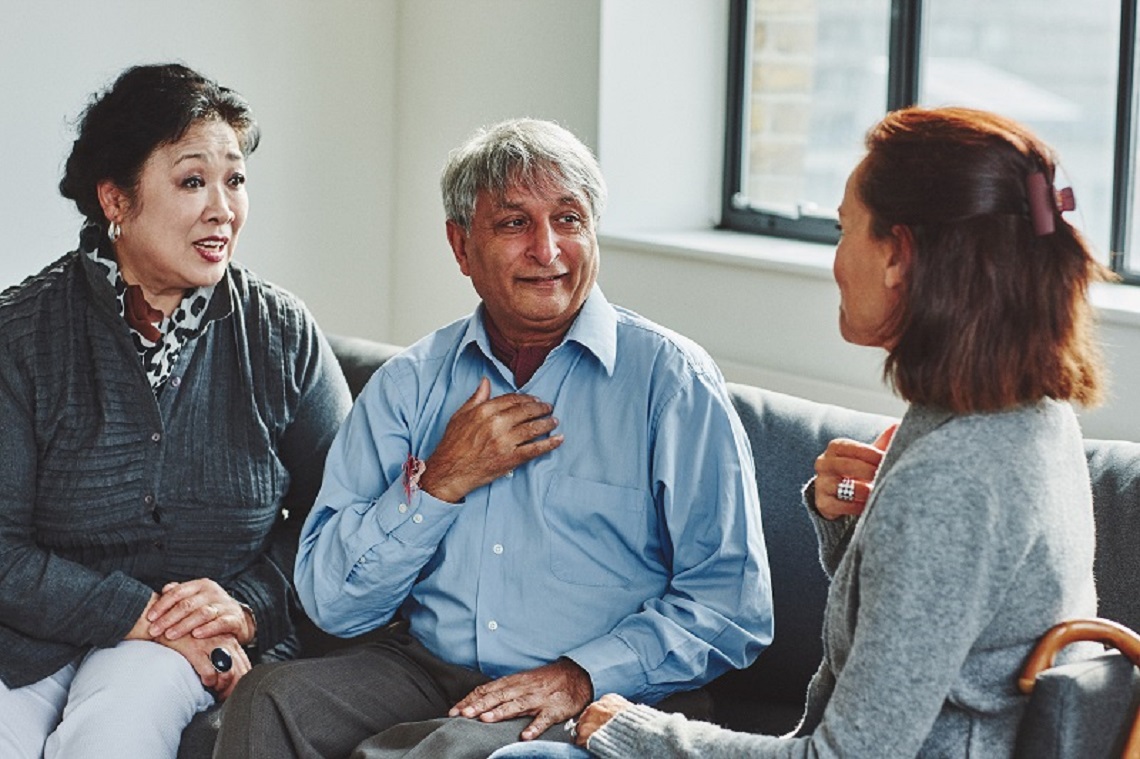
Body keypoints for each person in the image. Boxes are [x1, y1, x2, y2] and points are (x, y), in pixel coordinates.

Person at [493, 106, 1108, 758]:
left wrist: (630, 728)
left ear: (898, 254)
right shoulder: (1028, 421)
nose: (836, 261)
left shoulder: (952, 478)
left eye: (845, 230)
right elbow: (931, 641)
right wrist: (849, 526)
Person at [212, 118, 773, 759]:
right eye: (514, 224)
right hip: (426, 666)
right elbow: (333, 604)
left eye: (569, 219)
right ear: (461, 246)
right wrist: (439, 485)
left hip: (601, 690)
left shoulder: (670, 381)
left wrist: (583, 674)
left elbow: (732, 605)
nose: (548, 250)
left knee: (439, 753)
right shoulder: (410, 383)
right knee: (269, 701)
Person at [0, 63, 352, 758]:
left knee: (116, 731)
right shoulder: (21, 335)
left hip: (185, 650)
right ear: (116, 200)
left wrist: (247, 606)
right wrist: (141, 612)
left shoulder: (279, 333)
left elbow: (340, 513)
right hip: (31, 635)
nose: (224, 208)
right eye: (193, 181)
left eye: (236, 179)